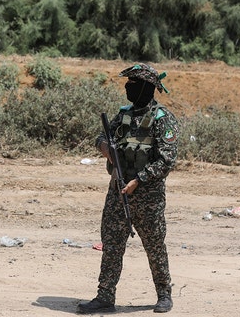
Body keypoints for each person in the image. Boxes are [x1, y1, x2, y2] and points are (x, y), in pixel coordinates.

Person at [78, 63, 178, 314]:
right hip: (118, 190)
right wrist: (105, 148)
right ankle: (105, 296)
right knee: (112, 244)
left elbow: (167, 160)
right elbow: (102, 137)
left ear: (146, 87)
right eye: (128, 82)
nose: (128, 87)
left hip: (147, 195)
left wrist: (139, 180)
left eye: (133, 83)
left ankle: (164, 294)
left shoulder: (162, 119)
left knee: (154, 245)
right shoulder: (123, 115)